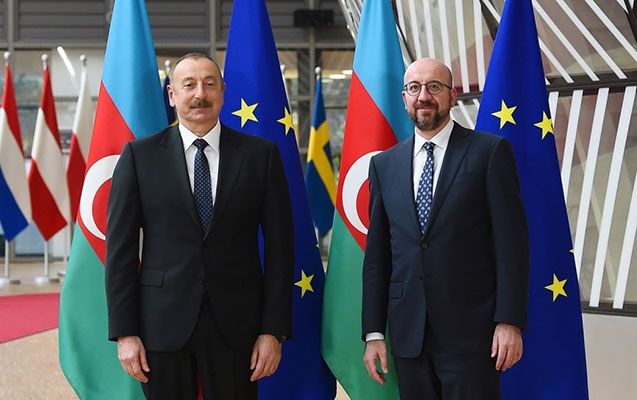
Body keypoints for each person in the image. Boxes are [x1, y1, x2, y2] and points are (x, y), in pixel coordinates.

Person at [105, 53, 294, 400]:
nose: (200, 94)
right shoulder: (139, 156)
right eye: (189, 85)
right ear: (172, 95)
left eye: (209, 84)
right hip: (160, 324)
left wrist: (273, 331)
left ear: (223, 91)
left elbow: (282, 250)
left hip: (239, 325)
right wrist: (124, 332)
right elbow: (120, 251)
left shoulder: (261, 155)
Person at [362, 57, 530, 399]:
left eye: (434, 87)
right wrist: (374, 333)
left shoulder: (489, 152)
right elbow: (378, 257)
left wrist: (509, 321)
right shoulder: (383, 165)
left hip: (473, 334)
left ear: (452, 96)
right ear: (404, 98)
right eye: (414, 88)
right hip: (409, 335)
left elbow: (511, 245)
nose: (423, 96)